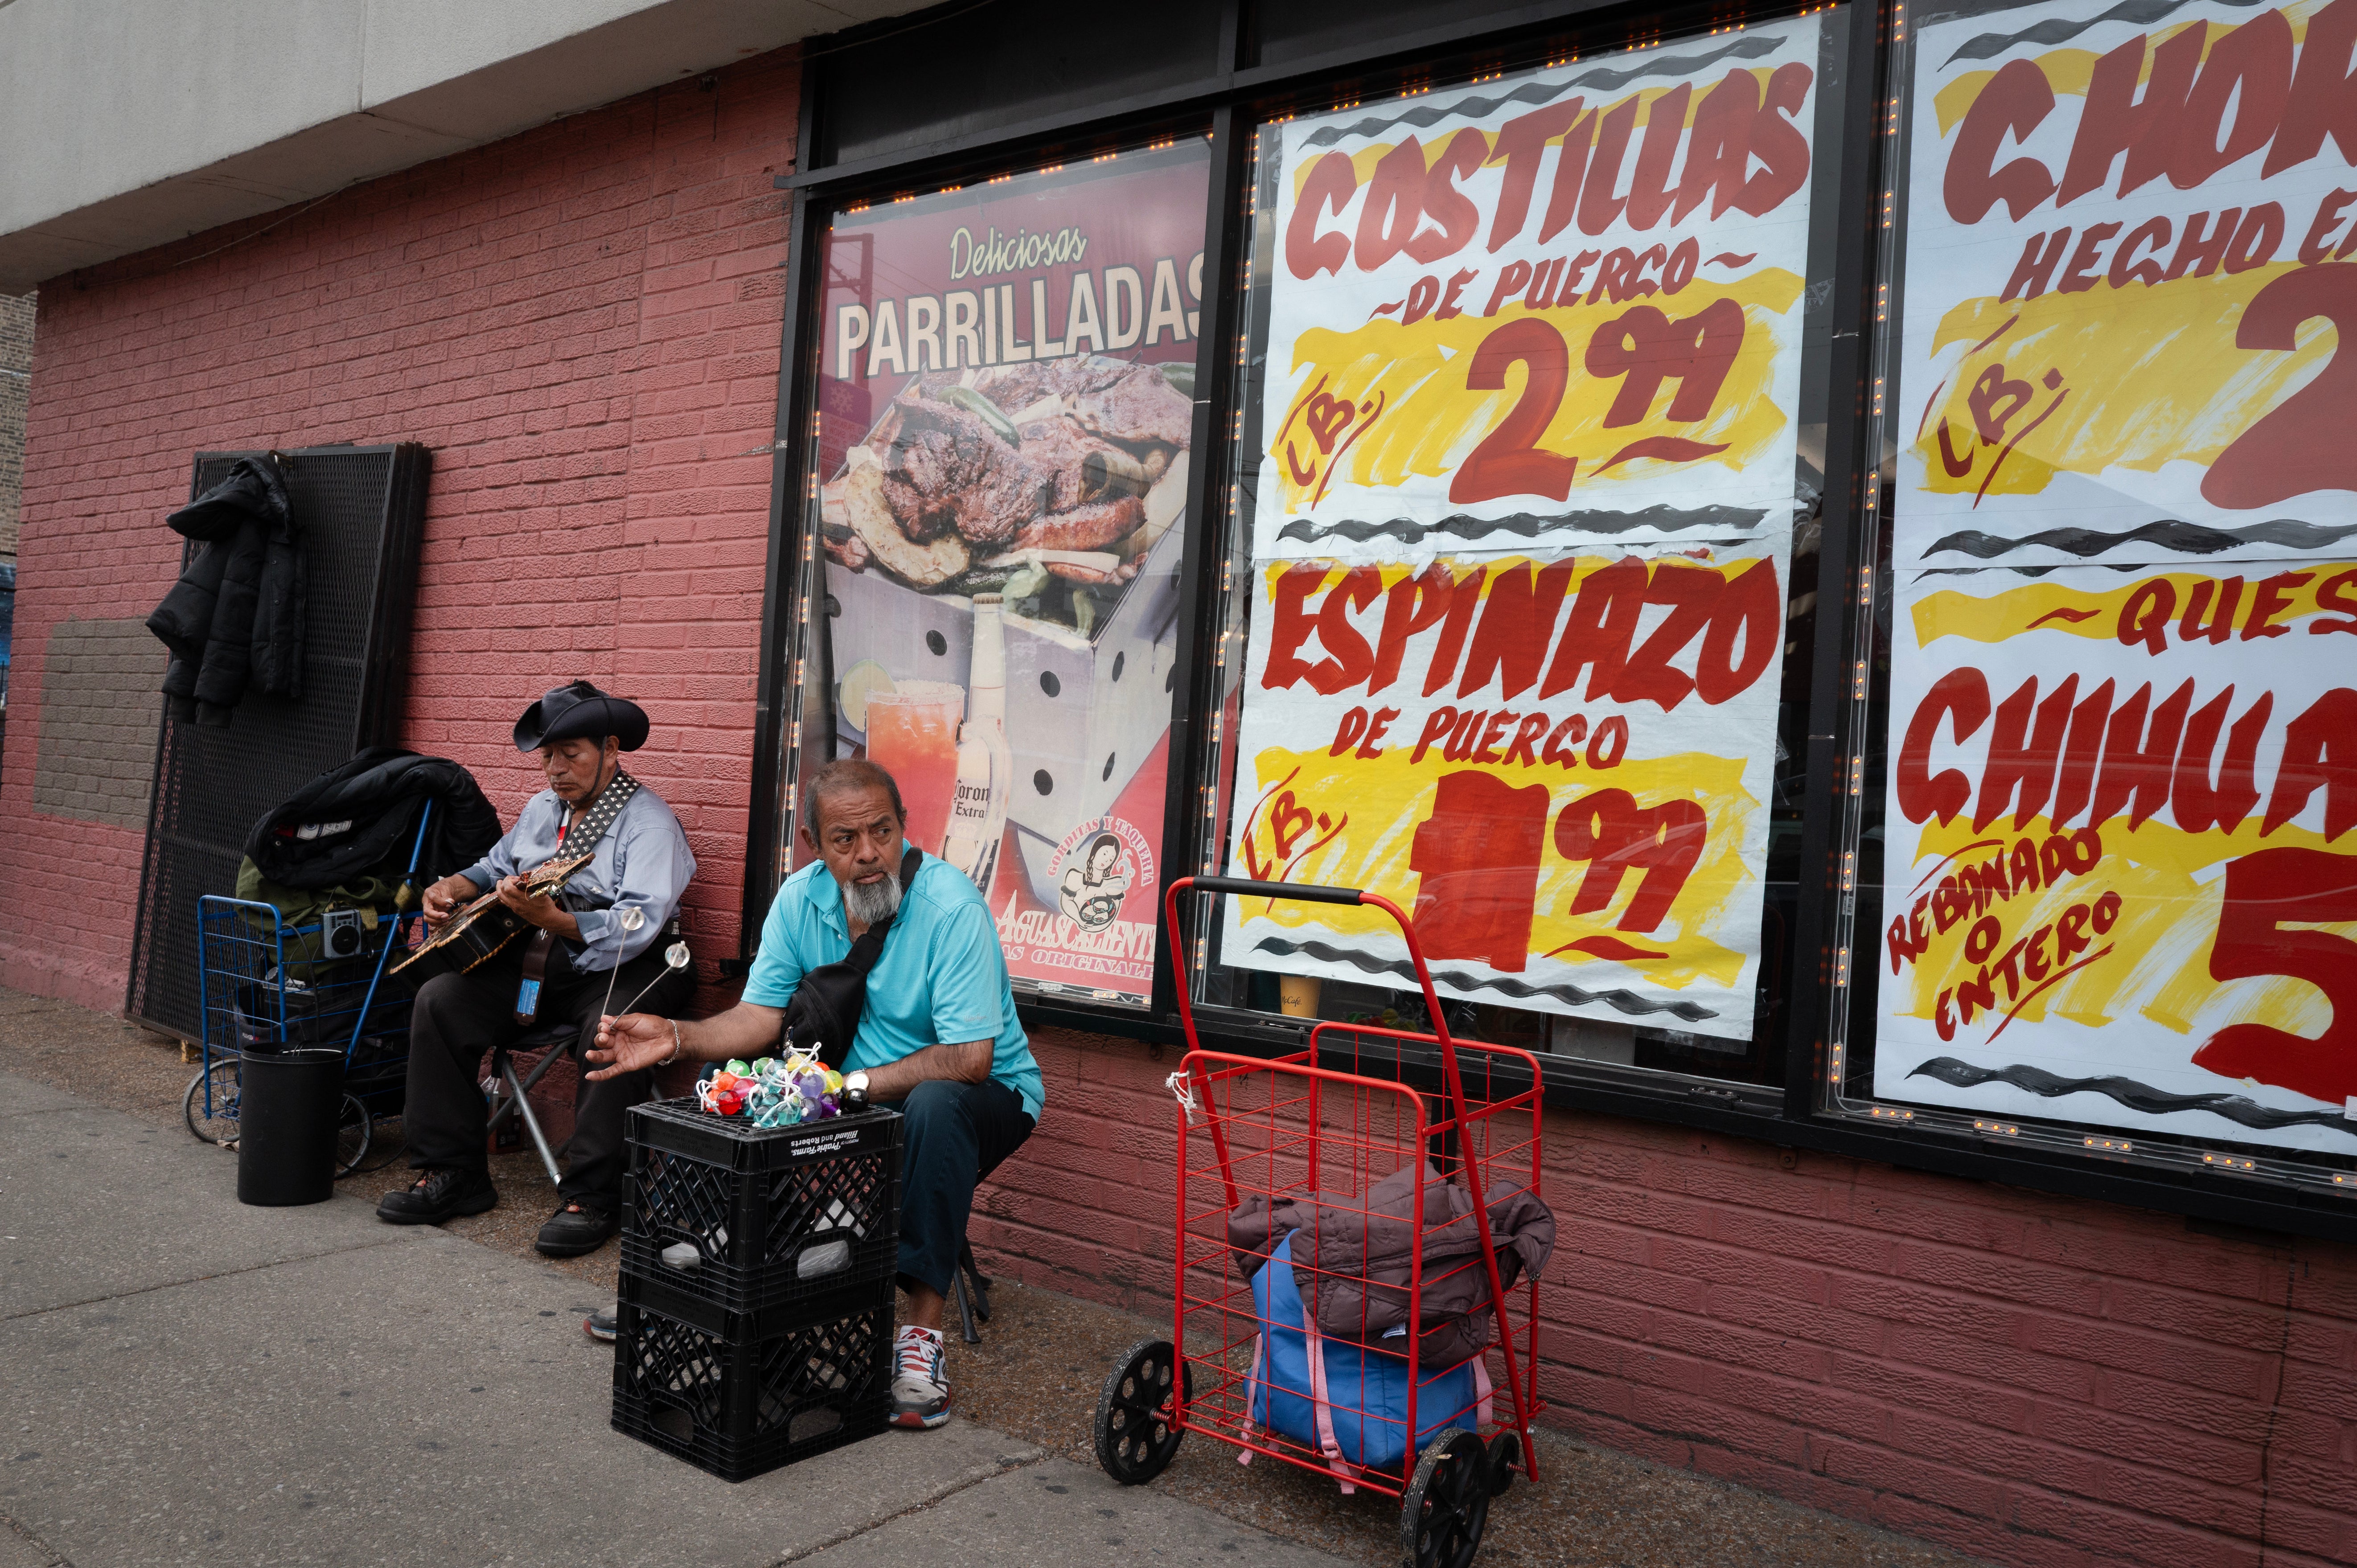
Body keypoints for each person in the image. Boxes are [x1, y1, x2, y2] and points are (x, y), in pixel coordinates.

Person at [586, 758, 1041, 1431]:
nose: (868, 854)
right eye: (845, 840)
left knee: (934, 1106)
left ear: (905, 828)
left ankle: (920, 1338)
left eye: (882, 832)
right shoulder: (801, 898)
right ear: (813, 842)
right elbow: (759, 1017)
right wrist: (678, 1037)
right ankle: (683, 1287)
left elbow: (970, 1058)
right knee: (745, 1088)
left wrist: (845, 1087)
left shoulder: (952, 909)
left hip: (983, 1095)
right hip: (851, 1086)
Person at [376, 680, 696, 1256]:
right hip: (543, 956)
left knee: (610, 1025)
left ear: (612, 749)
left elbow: (637, 925)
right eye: (548, 756)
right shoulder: (542, 809)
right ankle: (453, 1174)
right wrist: (454, 884)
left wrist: (559, 919)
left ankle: (593, 1196)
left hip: (628, 961)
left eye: (571, 754)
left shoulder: (650, 823)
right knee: (440, 1000)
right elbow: (495, 864)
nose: (555, 769)